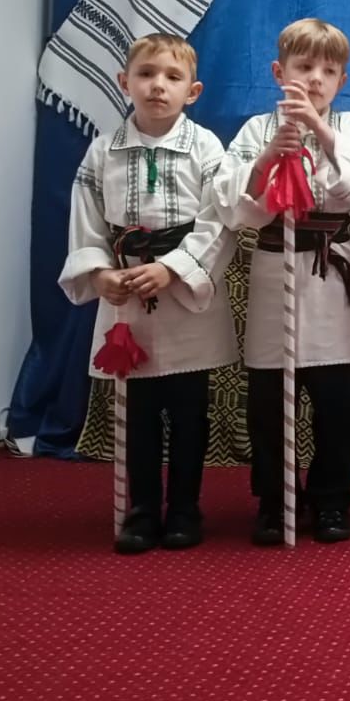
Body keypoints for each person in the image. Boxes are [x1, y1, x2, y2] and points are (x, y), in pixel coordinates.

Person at [60, 34, 237, 554]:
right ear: (125, 82)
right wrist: (98, 273)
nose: (158, 85)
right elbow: (87, 220)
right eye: (146, 74)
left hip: (183, 297)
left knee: (187, 412)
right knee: (135, 413)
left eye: (172, 77)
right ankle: (140, 511)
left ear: (193, 91)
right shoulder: (103, 151)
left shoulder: (206, 148)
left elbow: (219, 221)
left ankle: (183, 509)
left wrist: (173, 268)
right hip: (127, 297)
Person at [214, 18, 350, 545]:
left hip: (330, 275)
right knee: (270, 404)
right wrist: (269, 157)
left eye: (327, 71)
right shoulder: (255, 130)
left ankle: (332, 498)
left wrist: (321, 132)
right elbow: (231, 204)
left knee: (341, 405)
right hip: (276, 269)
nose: (315, 79)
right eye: (303, 67)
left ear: (342, 80)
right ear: (278, 71)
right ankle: (276, 500)